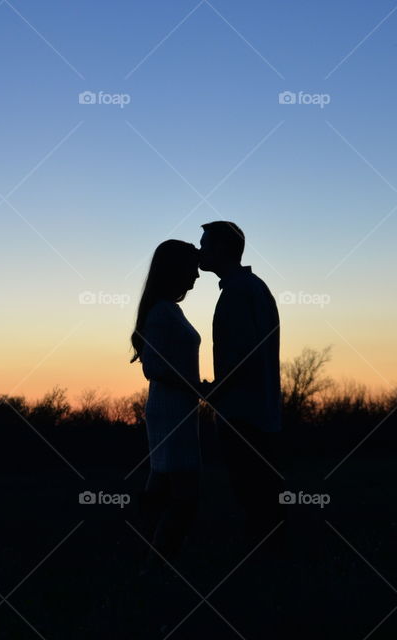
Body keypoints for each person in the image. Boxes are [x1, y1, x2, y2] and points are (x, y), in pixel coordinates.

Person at [198, 221, 285, 537]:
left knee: (255, 498)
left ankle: (266, 564)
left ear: (222, 249)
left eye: (205, 245)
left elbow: (243, 356)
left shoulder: (238, 291)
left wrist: (213, 391)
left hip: (243, 414)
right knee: (263, 496)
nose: (199, 251)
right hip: (259, 410)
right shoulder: (254, 287)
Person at [130, 239, 206, 566]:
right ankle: (159, 562)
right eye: (192, 267)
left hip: (179, 408)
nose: (197, 275)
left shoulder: (170, 310)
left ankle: (144, 558)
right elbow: (154, 367)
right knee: (185, 496)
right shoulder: (162, 312)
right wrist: (196, 386)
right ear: (176, 269)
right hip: (170, 410)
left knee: (160, 487)